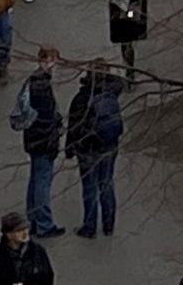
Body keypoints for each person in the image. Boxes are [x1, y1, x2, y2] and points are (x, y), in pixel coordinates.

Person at [8, 45, 66, 239]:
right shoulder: (41, 85)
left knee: (35, 180)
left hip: (34, 139)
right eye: (51, 60)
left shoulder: (34, 81)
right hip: (43, 141)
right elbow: (45, 117)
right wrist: (54, 133)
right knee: (42, 182)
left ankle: (33, 219)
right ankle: (43, 223)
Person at [65, 62, 123, 239]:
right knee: (106, 183)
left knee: (89, 188)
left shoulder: (82, 98)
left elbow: (74, 126)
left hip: (88, 148)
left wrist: (69, 148)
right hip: (109, 146)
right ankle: (108, 225)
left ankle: (89, 227)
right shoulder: (112, 93)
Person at [0, 210, 55, 285]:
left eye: (26, 228)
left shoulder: (38, 252)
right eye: (19, 230)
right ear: (8, 234)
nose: (25, 233)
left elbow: (47, 278)